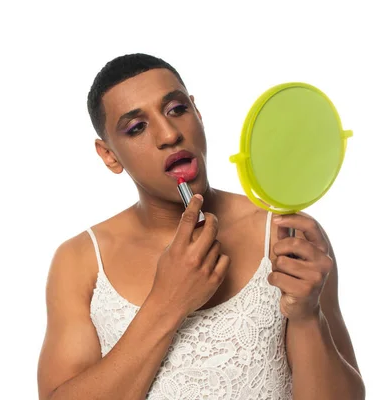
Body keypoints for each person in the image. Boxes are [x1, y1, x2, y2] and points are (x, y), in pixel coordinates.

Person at [37, 53, 365, 399]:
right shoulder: (81, 260)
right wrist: (168, 301)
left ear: (198, 112)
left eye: (176, 109)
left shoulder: (286, 234)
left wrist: (307, 316)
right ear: (109, 155)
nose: (168, 134)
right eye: (137, 128)